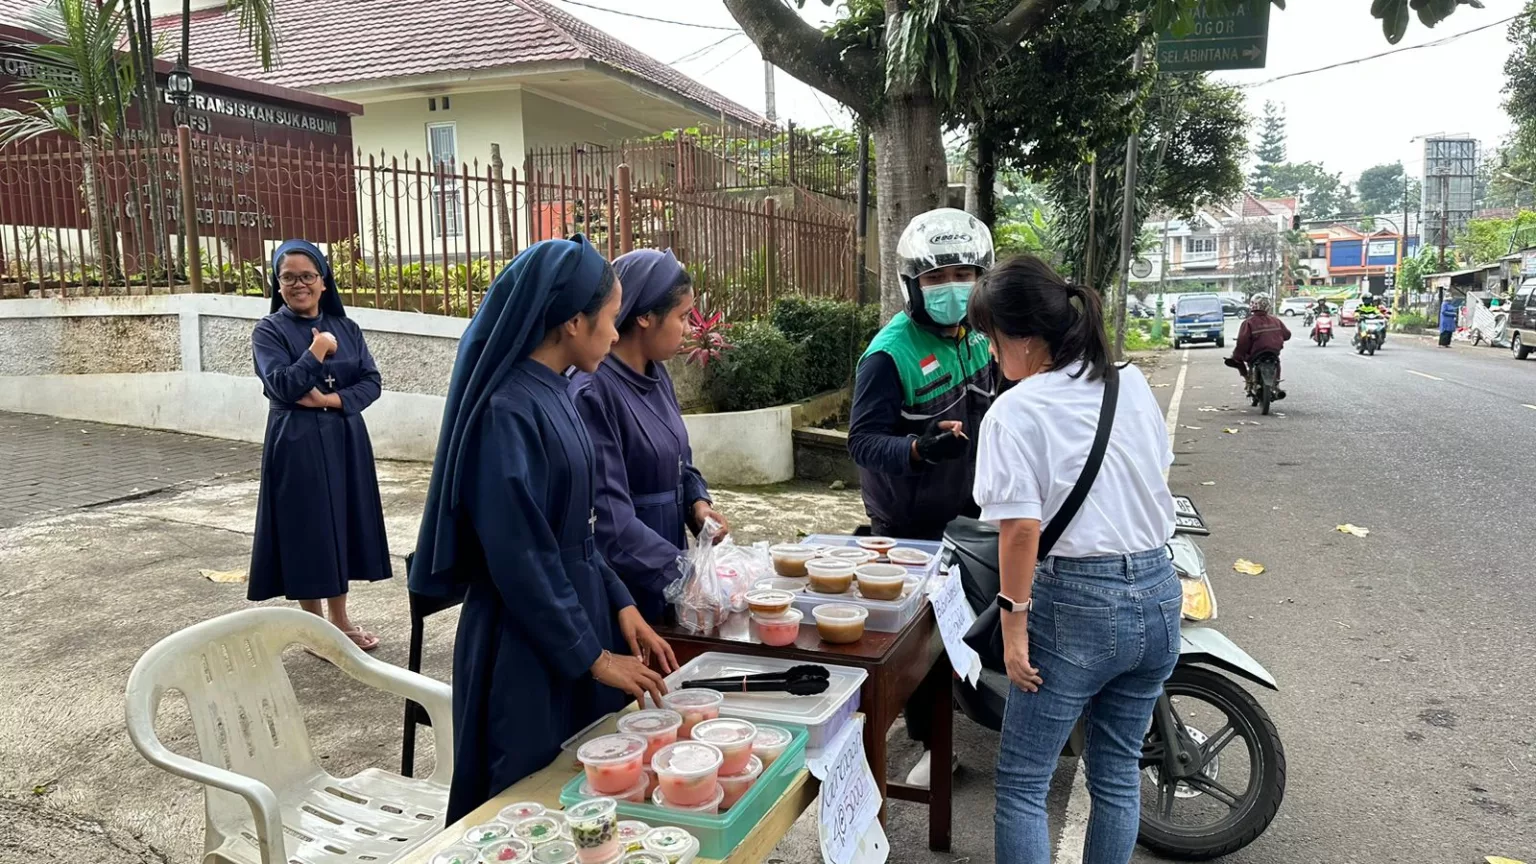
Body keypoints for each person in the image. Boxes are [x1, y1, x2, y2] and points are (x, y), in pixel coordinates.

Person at [409, 236, 676, 823]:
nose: (615, 334)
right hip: (524, 644)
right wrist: (594, 658)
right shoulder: (507, 411)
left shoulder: (557, 393)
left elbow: (579, 528)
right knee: (527, 801)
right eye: (610, 320)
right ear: (573, 322)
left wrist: (621, 603)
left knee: (586, 793)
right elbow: (521, 556)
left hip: (575, 623)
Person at [966, 255, 1180, 864]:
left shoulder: (1016, 411)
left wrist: (1012, 627)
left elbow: (1019, 531)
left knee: (1026, 783)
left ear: (1025, 339)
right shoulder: (1130, 383)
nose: (991, 354)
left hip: (1078, 608)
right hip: (1159, 593)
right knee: (1115, 775)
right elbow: (1152, 475)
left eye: (993, 338)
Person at [848, 207, 995, 787]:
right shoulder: (890, 354)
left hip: (971, 510)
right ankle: (929, 747)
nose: (952, 289)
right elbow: (861, 442)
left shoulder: (978, 336)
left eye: (963, 275)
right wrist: (916, 450)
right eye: (936, 279)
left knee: (967, 626)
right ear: (913, 285)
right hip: (910, 524)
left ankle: (960, 717)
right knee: (924, 643)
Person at [571, 249, 729, 623]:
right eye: (681, 317)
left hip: (668, 566)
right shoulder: (594, 390)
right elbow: (608, 520)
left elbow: (679, 460)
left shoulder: (657, 376)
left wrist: (697, 504)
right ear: (644, 316)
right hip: (626, 585)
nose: (691, 329)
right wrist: (684, 575)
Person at [248, 240, 391, 650]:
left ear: (323, 281)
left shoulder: (347, 328)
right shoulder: (268, 331)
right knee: (307, 529)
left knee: (341, 525)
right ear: (278, 283)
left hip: (344, 436)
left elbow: (371, 381)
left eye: (307, 276)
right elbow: (283, 385)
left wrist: (332, 399)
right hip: (296, 440)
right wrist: (317, 350)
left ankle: (340, 620)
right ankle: (315, 630)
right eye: (288, 277)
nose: (298, 285)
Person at [1223, 295, 1290, 400]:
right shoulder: (1276, 320)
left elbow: (1242, 342)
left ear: (1253, 306)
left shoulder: (1248, 322)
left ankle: (1248, 380)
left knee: (1237, 359)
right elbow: (1287, 335)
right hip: (1273, 352)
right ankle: (1276, 385)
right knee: (1276, 362)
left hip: (1255, 354)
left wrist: (1237, 355)